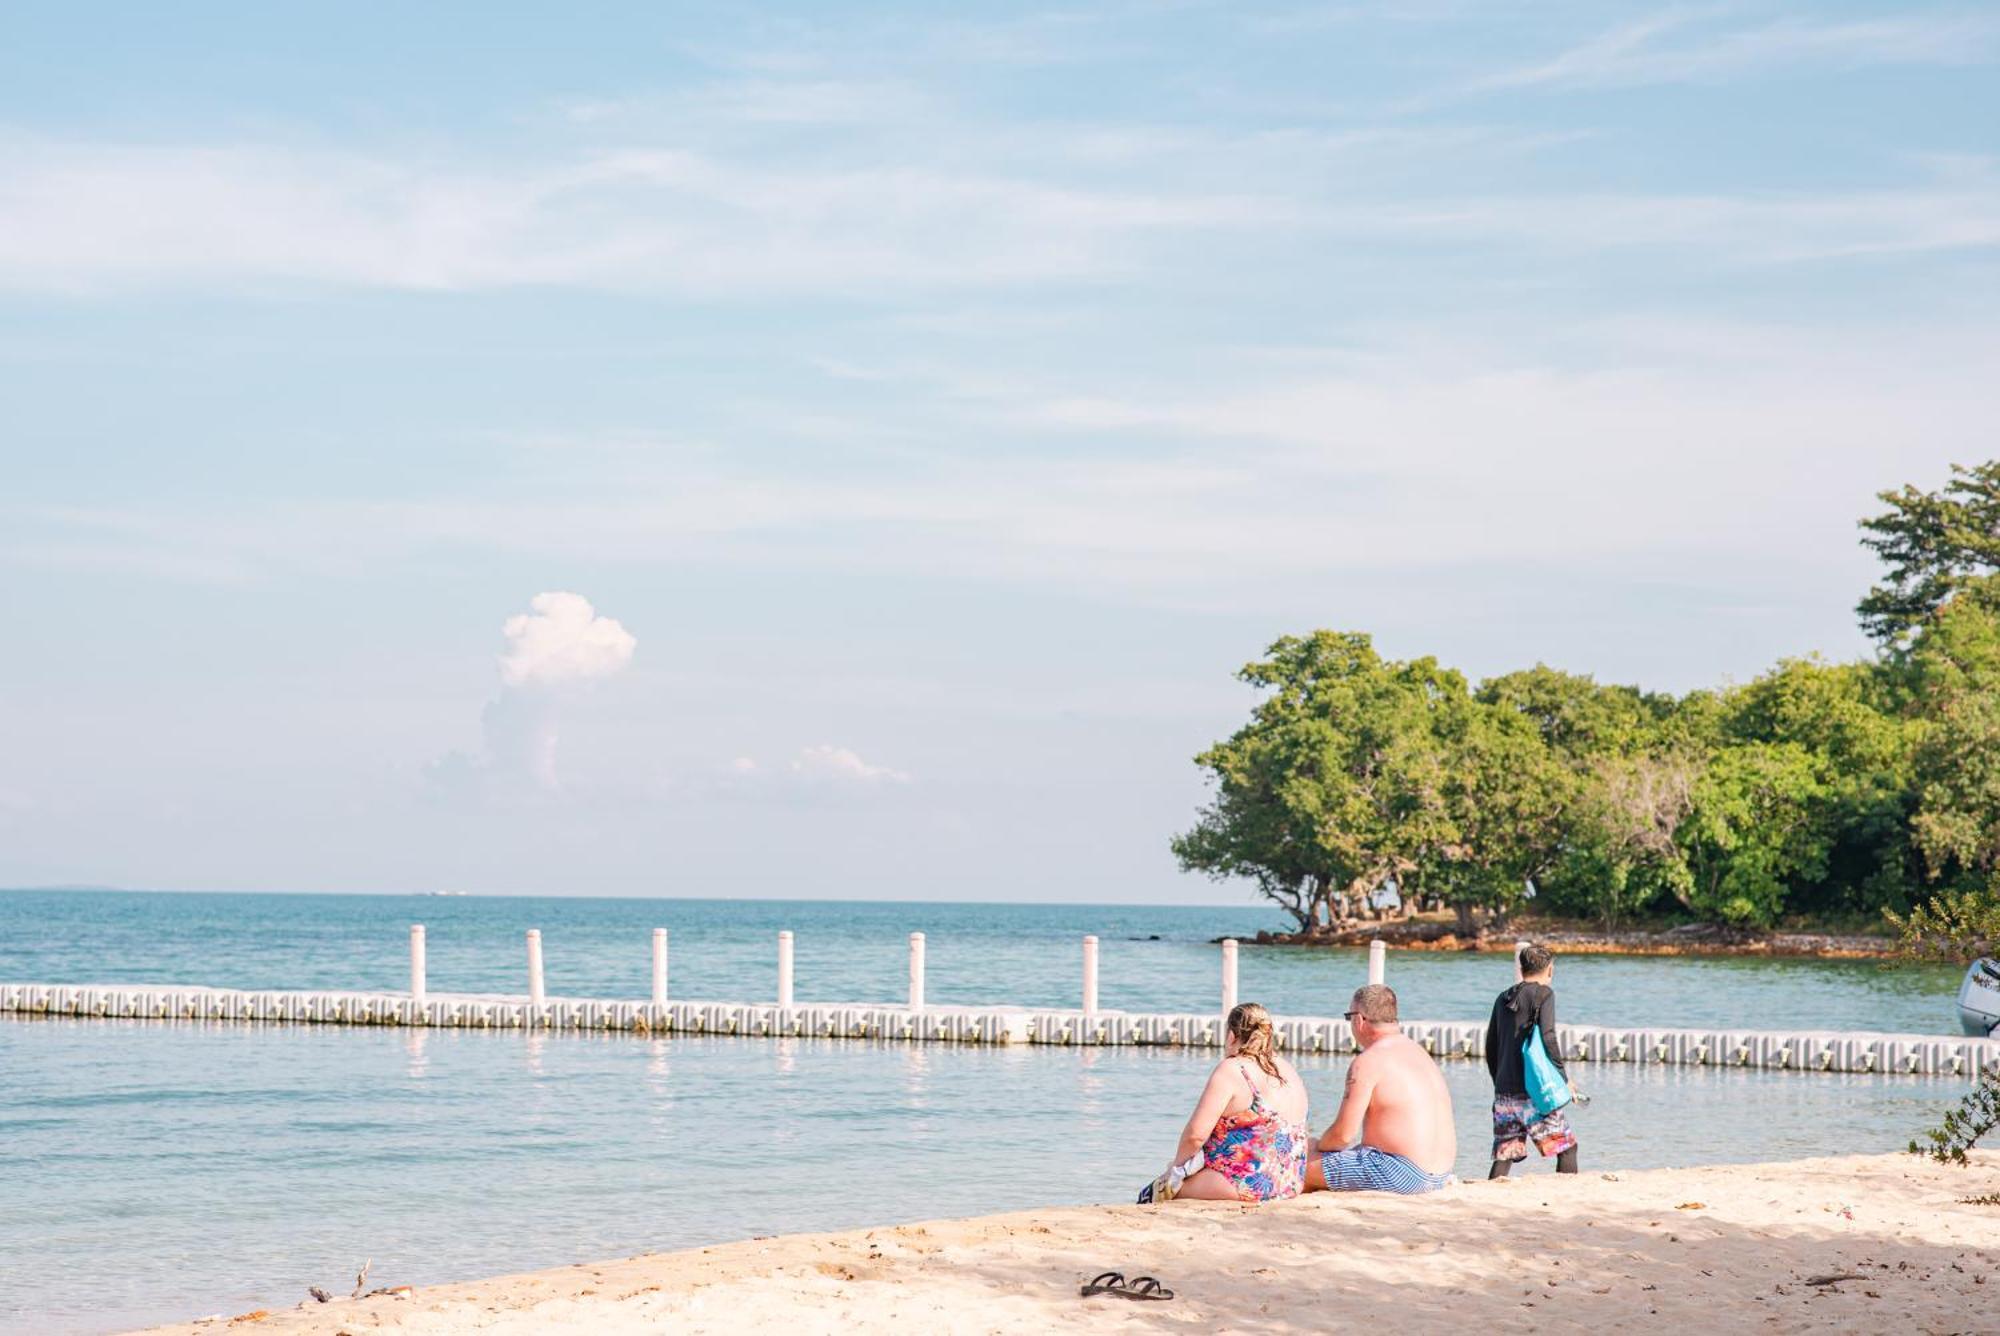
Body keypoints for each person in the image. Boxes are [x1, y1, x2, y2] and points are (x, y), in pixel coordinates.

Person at [1141, 1002, 1310, 1203]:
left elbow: (1195, 1136)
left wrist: (1175, 1169)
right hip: (1289, 1182)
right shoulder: (1286, 1068)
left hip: (1247, 1184)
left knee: (1151, 1194)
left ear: (1231, 1036)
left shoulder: (1233, 1069)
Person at [1303, 984, 1456, 1194]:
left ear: (1359, 1019)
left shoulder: (1368, 1061)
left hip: (1402, 1173)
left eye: (1349, 1017)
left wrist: (1315, 1148)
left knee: (1295, 1164)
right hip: (1440, 1174)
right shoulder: (1419, 1053)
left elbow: (1343, 1136)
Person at [1485, 941, 1579, 1178]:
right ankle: (1566, 1197)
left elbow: (1491, 1045)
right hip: (1533, 1093)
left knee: (1505, 1154)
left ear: (1522, 967)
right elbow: (1548, 1038)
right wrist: (1563, 1079)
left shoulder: (1502, 998)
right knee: (1566, 1148)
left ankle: (1489, 1197)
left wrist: (1499, 1083)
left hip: (1504, 1090)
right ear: (1550, 969)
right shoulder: (1544, 994)